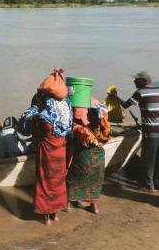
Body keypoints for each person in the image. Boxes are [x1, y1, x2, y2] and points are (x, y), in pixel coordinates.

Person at [22, 92, 72, 225]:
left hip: (47, 154)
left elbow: (26, 127)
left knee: (45, 182)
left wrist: (33, 109)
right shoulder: (65, 115)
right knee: (57, 182)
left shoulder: (42, 118)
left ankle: (46, 217)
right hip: (60, 154)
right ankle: (55, 214)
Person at [113, 71, 159, 192]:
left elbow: (126, 105)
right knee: (157, 158)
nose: (134, 81)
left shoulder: (141, 92)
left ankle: (148, 185)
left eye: (136, 80)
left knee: (148, 158)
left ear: (144, 81)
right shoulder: (157, 89)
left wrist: (115, 96)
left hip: (151, 131)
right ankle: (157, 183)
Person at [67, 99, 111, 214]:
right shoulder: (105, 131)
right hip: (99, 159)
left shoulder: (82, 130)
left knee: (73, 178)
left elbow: (73, 136)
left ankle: (67, 204)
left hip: (84, 158)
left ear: (91, 117)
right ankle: (94, 207)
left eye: (89, 113)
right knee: (95, 182)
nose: (86, 114)